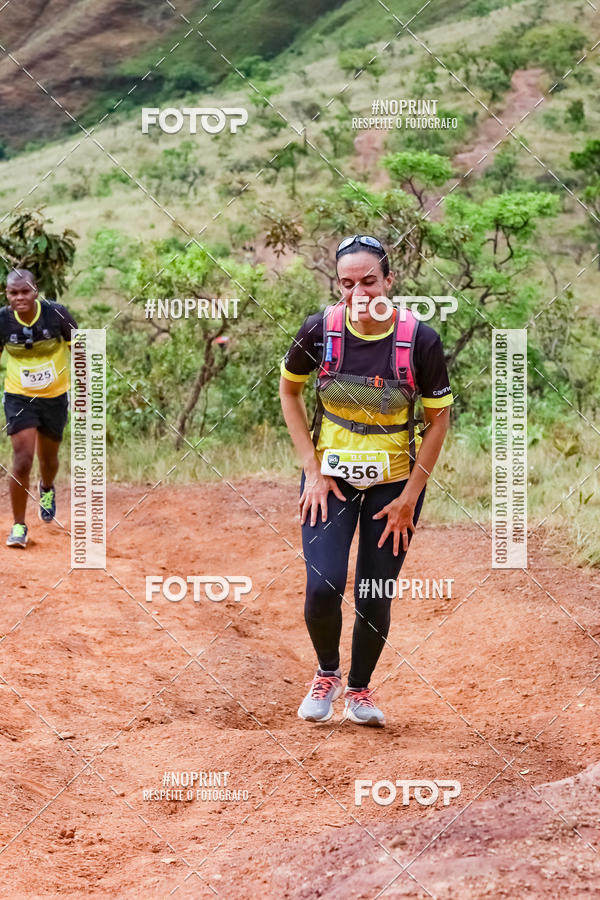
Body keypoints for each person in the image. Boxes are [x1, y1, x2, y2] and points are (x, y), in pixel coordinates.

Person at [279, 235, 453, 727]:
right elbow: (288, 393)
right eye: (348, 284)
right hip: (329, 482)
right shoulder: (320, 331)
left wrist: (409, 500)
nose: (360, 293)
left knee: (375, 591)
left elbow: (439, 422)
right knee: (323, 586)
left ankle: (359, 690)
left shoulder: (420, 339)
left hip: (393, 489)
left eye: (370, 281)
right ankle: (327, 673)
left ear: (389, 280)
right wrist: (312, 471)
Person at [0, 269, 77, 548]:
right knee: (22, 459)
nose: (19, 297)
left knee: (49, 460)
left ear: (35, 291)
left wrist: (87, 391)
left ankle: (46, 488)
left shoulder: (57, 314)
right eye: (13, 293)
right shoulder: (3, 321)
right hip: (19, 396)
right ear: (7, 294)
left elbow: (81, 352)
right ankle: (19, 525)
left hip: (55, 396)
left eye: (25, 292)